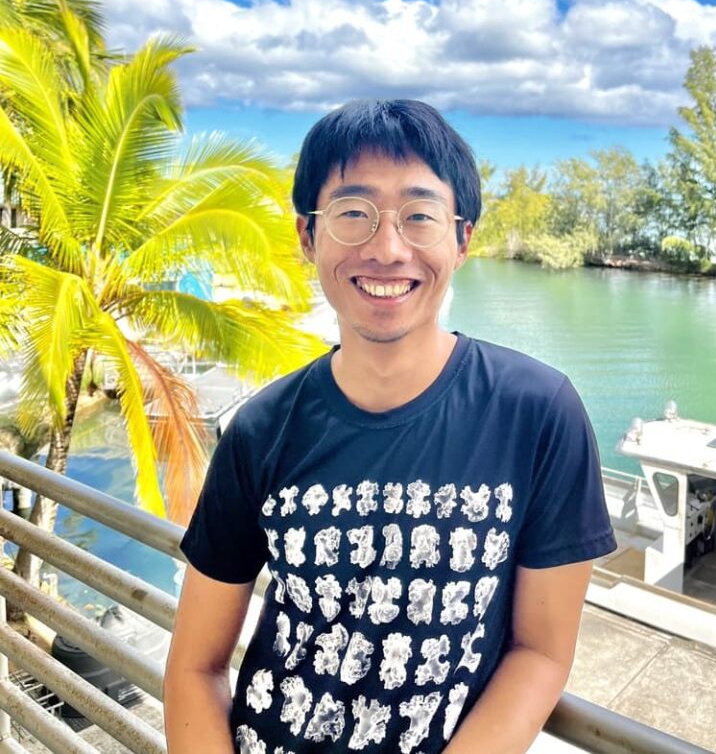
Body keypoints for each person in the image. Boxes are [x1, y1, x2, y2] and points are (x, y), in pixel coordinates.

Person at [164, 98, 616, 754]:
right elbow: (195, 665)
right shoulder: (262, 430)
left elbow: (541, 652)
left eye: (420, 215)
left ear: (463, 238)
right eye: (353, 213)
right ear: (307, 236)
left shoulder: (537, 413)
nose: (386, 248)